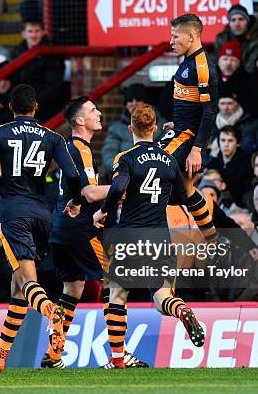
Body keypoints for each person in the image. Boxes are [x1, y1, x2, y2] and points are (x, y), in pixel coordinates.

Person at [0, 84, 83, 372]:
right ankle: (0, 354)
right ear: (36, 108)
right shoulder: (52, 137)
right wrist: (75, 201)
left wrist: (5, 173)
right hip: (43, 216)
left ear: (11, 108)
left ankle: (51, 312)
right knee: (18, 287)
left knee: (26, 282)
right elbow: (72, 174)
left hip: (14, 215)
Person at [92, 103, 204, 369]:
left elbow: (118, 185)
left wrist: (103, 212)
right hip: (160, 238)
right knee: (162, 297)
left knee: (117, 295)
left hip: (130, 235)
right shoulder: (168, 160)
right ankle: (182, 310)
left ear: (130, 128)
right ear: (154, 128)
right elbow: (182, 196)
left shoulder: (126, 157)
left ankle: (118, 359)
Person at [43, 96, 122, 369]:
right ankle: (118, 356)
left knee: (73, 287)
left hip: (60, 230)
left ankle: (54, 355)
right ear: (80, 120)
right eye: (92, 110)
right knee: (114, 282)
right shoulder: (81, 148)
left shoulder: (66, 147)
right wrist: (125, 189)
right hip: (80, 230)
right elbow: (89, 193)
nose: (98, 113)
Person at [158, 14, 218, 244]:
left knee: (148, 167)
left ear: (192, 36)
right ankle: (214, 242)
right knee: (186, 189)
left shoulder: (203, 67)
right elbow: (193, 105)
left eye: (175, 36)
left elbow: (210, 111)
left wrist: (196, 150)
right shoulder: (188, 60)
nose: (171, 41)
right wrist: (179, 121)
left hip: (188, 138)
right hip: (181, 129)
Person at [11, 19, 65, 122]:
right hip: (21, 107)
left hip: (45, 108)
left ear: (43, 33)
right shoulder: (16, 53)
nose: (33, 35)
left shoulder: (52, 54)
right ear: (23, 34)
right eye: (30, 31)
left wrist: (31, 104)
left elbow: (53, 87)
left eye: (37, 31)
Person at [101, 84, 149, 173]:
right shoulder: (116, 129)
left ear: (146, 102)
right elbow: (109, 154)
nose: (134, 103)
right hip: (125, 176)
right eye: (130, 100)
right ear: (126, 104)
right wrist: (122, 169)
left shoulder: (160, 124)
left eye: (138, 100)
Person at [214, 4, 258, 74]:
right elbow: (214, 61)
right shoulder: (222, 38)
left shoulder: (257, 41)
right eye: (233, 20)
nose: (237, 24)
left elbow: (250, 69)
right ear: (229, 23)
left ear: (247, 22)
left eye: (241, 19)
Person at [216, 40, 258, 117]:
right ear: (218, 61)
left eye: (233, 60)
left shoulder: (249, 82)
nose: (228, 63)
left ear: (239, 63)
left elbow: (255, 110)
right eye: (225, 59)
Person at [207, 126, 252, 206]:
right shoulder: (213, 162)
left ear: (237, 143)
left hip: (239, 204)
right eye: (223, 140)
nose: (226, 144)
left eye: (230, 140)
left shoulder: (246, 162)